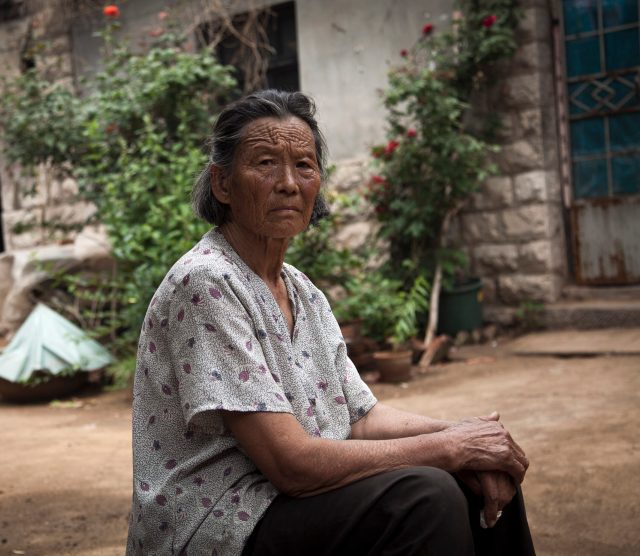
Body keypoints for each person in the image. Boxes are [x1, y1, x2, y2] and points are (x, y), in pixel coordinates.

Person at [126, 89, 535, 555]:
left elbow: (361, 419)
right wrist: (450, 448)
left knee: (484, 479)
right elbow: (292, 465)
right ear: (223, 185)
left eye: (303, 165)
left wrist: (464, 438)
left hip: (280, 500)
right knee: (428, 495)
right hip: (219, 522)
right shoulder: (206, 283)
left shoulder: (301, 290)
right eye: (264, 164)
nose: (288, 183)